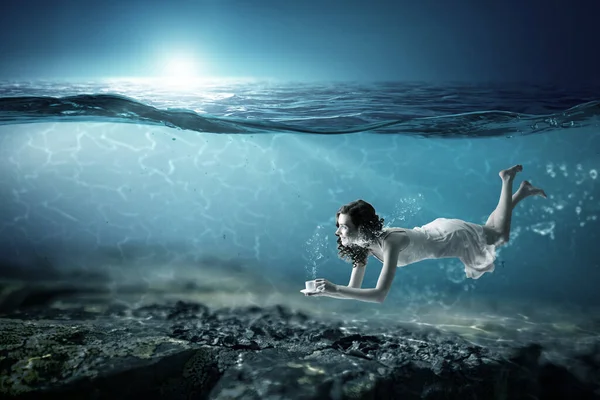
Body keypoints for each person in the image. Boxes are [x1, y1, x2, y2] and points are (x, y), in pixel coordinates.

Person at [305, 165, 547, 303]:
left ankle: (507, 181)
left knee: (498, 237)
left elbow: (379, 295)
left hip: (450, 237)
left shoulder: (390, 243)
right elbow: (353, 289)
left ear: (363, 228)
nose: (338, 231)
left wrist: (333, 289)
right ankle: (522, 192)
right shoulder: (364, 244)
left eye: (344, 226)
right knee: (489, 232)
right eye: (339, 225)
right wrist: (327, 291)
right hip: (437, 230)